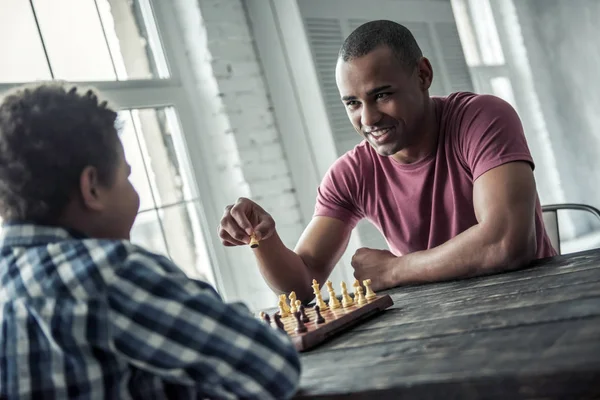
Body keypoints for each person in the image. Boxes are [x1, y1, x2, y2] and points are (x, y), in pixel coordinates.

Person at [218, 20, 557, 302]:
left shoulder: (481, 117)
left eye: (381, 95)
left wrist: (394, 270)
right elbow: (304, 284)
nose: (368, 118)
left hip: (536, 303)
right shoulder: (351, 173)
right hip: (443, 322)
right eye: (352, 103)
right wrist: (263, 239)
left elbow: (507, 243)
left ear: (423, 75)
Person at [0, 83, 300, 399]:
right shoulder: (108, 273)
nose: (133, 191)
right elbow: (274, 368)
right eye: (126, 177)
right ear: (92, 188)